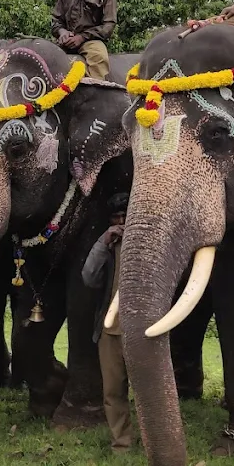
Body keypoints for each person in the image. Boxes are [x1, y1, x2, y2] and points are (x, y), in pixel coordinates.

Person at [82, 193, 133, 452]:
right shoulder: (108, 246)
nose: (122, 223)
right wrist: (104, 242)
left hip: (144, 331)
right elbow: (89, 277)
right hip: (111, 329)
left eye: (126, 216)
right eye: (116, 218)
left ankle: (155, 441)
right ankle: (121, 444)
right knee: (113, 392)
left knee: (149, 392)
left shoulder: (147, 243)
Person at [51, 0, 118, 79]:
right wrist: (62, 32)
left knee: (99, 58)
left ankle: (97, 95)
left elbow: (108, 26)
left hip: (90, 42)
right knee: (43, 57)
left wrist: (82, 37)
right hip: (65, 42)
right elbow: (56, 20)